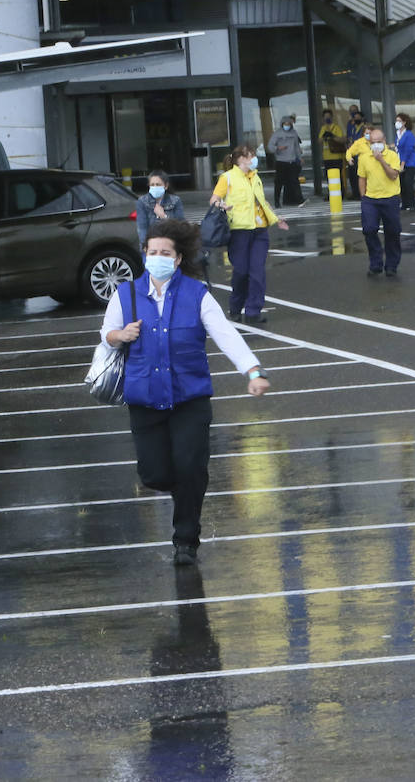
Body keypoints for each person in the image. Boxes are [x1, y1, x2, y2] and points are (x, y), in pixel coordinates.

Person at [99, 218, 272, 567]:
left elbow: (226, 334)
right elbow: (106, 333)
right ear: (144, 255)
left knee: (191, 467)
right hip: (145, 399)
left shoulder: (197, 294)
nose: (158, 257)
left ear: (177, 259)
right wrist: (121, 335)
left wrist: (252, 371)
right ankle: (186, 488)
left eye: (165, 252)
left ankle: (186, 539)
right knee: (155, 474)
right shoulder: (126, 294)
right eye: (152, 252)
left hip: (189, 399)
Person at [211, 145, 290, 324]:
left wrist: (276, 218)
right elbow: (214, 199)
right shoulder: (228, 177)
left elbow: (261, 201)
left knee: (257, 272)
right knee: (241, 271)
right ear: (241, 159)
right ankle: (236, 307)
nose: (254, 158)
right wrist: (221, 205)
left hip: (260, 231)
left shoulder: (255, 177)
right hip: (239, 232)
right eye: (251, 155)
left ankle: (254, 311)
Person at [348, 126, 403, 276]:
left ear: (384, 141)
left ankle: (391, 265)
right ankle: (376, 263)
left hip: (390, 198)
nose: (376, 145)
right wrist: (363, 197)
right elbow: (362, 178)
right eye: (373, 142)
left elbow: (393, 175)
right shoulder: (364, 158)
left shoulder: (392, 155)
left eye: (378, 141)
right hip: (370, 200)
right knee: (369, 229)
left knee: (392, 232)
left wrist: (381, 160)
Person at [136, 171, 186, 248]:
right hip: (151, 245)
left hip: (171, 244)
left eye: (158, 185)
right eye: (152, 185)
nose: (155, 187)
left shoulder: (175, 200)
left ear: (166, 186)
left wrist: (164, 216)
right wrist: (145, 246)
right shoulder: (142, 201)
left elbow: (180, 226)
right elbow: (142, 227)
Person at [266, 115, 305, 207]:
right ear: (282, 124)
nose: (287, 125)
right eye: (285, 124)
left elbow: (296, 147)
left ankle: (299, 200)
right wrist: (278, 148)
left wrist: (299, 157)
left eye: (288, 124)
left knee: (294, 181)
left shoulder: (294, 133)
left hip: (291, 161)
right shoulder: (277, 134)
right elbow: (270, 146)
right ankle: (276, 201)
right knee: (279, 182)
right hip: (281, 161)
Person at [317, 108, 346, 198]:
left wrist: (332, 136)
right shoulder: (323, 128)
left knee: (338, 177)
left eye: (329, 117)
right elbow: (319, 141)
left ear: (332, 117)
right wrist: (324, 136)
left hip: (336, 156)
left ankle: (340, 194)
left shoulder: (336, 127)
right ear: (323, 118)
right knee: (329, 177)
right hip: (327, 157)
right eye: (326, 117)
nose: (327, 119)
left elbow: (342, 140)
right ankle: (332, 194)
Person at [394, 112, 415, 212]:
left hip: (409, 163)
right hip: (400, 162)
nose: (397, 123)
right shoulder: (398, 134)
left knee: (408, 184)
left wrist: (403, 163)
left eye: (399, 121)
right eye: (396, 121)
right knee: (402, 184)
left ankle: (412, 204)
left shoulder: (408, 135)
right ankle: (404, 204)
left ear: (404, 122)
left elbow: (408, 149)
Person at [345, 106, 366, 198]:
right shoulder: (352, 127)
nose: (356, 119)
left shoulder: (364, 128)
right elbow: (349, 138)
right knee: (352, 175)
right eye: (355, 117)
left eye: (358, 117)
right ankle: (355, 193)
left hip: (361, 154)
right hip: (353, 153)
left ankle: (361, 193)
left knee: (360, 175)